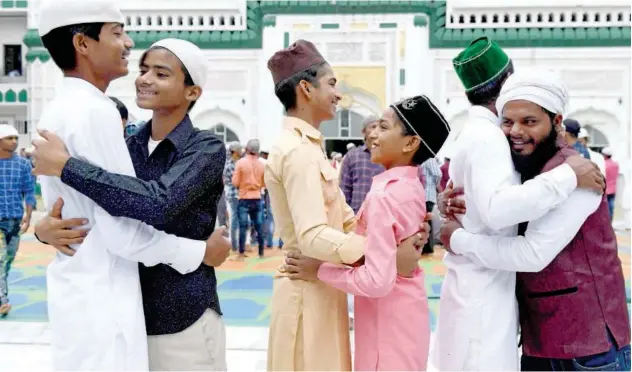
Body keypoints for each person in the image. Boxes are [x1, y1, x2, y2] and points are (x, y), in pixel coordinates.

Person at [32, 3, 230, 368]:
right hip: (115, 306)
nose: (128, 42)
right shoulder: (108, 123)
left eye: (161, 73)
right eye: (117, 32)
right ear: (83, 43)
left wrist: (67, 170)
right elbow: (118, 228)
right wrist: (44, 228)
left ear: (192, 91)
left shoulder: (205, 146)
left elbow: (158, 202)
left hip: (179, 310)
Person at [432, 38, 606, 371]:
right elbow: (498, 212)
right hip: (485, 290)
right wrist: (568, 176)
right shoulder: (489, 136)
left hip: (562, 325)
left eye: (529, 122)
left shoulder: (480, 133)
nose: (516, 131)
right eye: (513, 121)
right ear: (508, 82)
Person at [264, 39, 425, 371]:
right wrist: (381, 255)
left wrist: (390, 244)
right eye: (332, 84)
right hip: (306, 289)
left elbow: (343, 218)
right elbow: (312, 235)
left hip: (323, 283)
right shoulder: (297, 151)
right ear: (306, 89)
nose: (337, 94)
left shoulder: (309, 147)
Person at [284, 95, 450, 371]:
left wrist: (319, 270)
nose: (372, 133)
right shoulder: (408, 185)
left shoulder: (387, 195)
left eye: (384, 127)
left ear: (410, 143)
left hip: (386, 333)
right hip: (404, 319)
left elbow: (377, 281)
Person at [0, 125, 36, 316]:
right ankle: (3, 301)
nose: (14, 142)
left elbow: (29, 191)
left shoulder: (23, 164)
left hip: (14, 221)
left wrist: (28, 217)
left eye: (15, 138)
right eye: (9, 138)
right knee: (0, 260)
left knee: (7, 261)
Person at [339, 115, 384, 214]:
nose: (377, 130)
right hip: (356, 217)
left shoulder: (388, 155)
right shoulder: (352, 156)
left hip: (381, 216)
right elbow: (344, 190)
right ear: (363, 132)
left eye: (381, 127)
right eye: (373, 126)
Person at [232, 139, 265, 260]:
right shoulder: (262, 165)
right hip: (257, 198)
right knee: (259, 226)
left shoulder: (240, 163)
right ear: (257, 151)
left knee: (242, 227)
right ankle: (261, 253)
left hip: (244, 197)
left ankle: (241, 254)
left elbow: (235, 182)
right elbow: (263, 184)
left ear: (247, 149)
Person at [223, 141, 242, 251]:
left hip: (236, 194)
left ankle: (237, 244)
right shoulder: (231, 165)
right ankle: (234, 245)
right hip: (234, 194)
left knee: (238, 219)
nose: (241, 152)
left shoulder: (235, 163)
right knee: (235, 219)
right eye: (239, 150)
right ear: (235, 151)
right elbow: (235, 182)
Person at [603, 146, 619, 220]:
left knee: (605, 208)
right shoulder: (615, 164)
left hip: (605, 189)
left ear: (605, 155)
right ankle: (610, 221)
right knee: (611, 206)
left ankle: (607, 222)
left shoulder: (603, 164)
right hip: (613, 189)